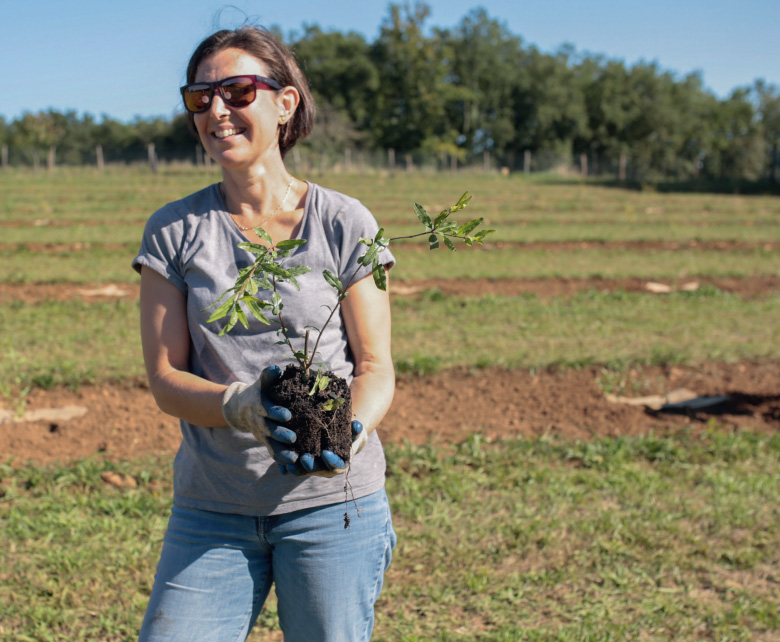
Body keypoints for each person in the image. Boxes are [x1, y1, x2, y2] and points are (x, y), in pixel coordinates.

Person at [132, 25, 396, 642]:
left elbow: (376, 366)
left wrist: (350, 431)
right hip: (213, 508)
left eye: (238, 91)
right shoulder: (173, 231)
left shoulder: (345, 221)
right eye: (200, 97)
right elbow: (166, 379)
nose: (217, 111)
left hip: (333, 504)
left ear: (285, 103)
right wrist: (237, 405)